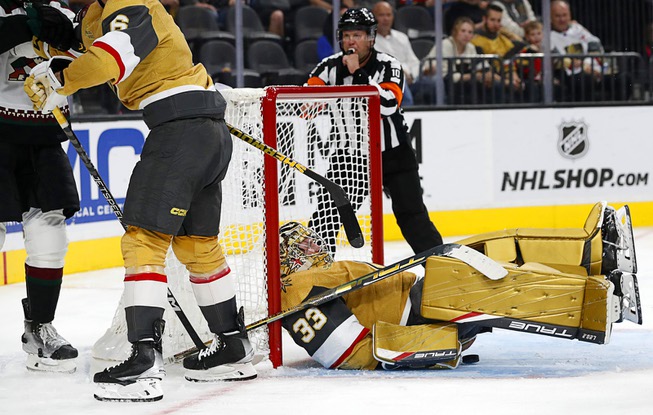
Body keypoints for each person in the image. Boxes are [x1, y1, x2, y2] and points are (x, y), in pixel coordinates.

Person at [23, 0, 256, 402]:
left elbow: (103, 62)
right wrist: (47, 56)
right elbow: (89, 49)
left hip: (179, 130)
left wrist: (59, 82)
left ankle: (143, 362)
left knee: (143, 241)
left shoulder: (130, 2)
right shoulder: (102, 12)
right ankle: (233, 349)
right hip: (206, 131)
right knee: (196, 246)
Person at [278, 201, 642, 370]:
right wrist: (423, 348)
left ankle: (594, 257)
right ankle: (596, 303)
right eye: (303, 244)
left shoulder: (313, 276)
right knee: (503, 289)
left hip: (422, 296)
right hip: (417, 317)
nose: (314, 245)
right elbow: (345, 353)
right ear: (288, 258)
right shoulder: (296, 291)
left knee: (488, 250)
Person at [305, 8, 443, 257]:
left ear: (371, 37)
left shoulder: (390, 65)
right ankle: (316, 279)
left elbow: (388, 105)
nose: (350, 41)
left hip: (392, 154)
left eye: (357, 35)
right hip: (348, 157)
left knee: (413, 218)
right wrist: (311, 100)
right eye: (346, 35)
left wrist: (358, 72)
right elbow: (306, 102)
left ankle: (442, 271)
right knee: (325, 219)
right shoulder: (328, 67)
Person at [1, 0, 81, 374]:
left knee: (50, 232)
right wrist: (28, 23)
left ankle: (40, 328)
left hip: (44, 135)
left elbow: (82, 50)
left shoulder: (58, 8)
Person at [549, 0, 628, 102]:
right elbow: (557, 59)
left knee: (624, 79)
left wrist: (590, 64)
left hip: (595, 70)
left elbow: (594, 43)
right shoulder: (547, 35)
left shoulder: (577, 28)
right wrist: (584, 66)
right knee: (585, 80)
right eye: (558, 16)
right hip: (572, 75)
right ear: (550, 17)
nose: (562, 19)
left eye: (565, 15)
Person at [423, 16, 504, 104]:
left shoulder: (471, 47)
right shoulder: (445, 45)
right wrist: (474, 76)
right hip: (438, 79)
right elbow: (447, 76)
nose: (466, 35)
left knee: (493, 83)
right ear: (455, 32)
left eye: (470, 32)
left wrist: (488, 74)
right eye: (463, 31)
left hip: (461, 81)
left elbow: (481, 65)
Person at [371, 1, 424, 105]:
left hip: (410, 79)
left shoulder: (402, 37)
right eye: (381, 15)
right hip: (385, 82)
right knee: (401, 84)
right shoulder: (369, 41)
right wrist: (400, 74)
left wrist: (412, 75)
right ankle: (405, 118)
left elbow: (414, 62)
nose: (386, 19)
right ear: (374, 18)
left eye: (388, 15)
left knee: (433, 84)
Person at [471, 3, 523, 94]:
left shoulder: (504, 40)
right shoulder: (474, 41)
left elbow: (508, 65)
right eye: (492, 20)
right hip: (487, 81)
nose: (496, 24)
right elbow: (484, 71)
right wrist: (506, 82)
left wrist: (515, 79)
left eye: (498, 21)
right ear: (484, 19)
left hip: (504, 78)